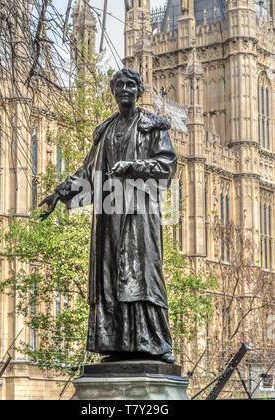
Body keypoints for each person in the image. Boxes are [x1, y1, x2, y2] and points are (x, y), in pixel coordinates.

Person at [39, 67, 177, 363]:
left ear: (139, 91)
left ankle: (156, 343)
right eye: (119, 86)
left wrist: (133, 166)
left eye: (130, 85)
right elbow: (87, 171)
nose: (124, 90)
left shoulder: (153, 127)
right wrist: (58, 194)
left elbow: (167, 165)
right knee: (111, 276)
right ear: (113, 92)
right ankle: (119, 344)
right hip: (109, 217)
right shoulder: (105, 130)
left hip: (139, 213)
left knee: (143, 276)